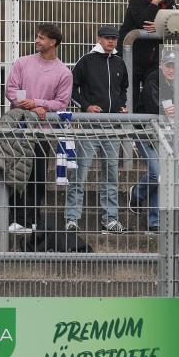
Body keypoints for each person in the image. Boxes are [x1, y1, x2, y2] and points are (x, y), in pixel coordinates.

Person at [5, 23, 72, 233]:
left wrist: (38, 103)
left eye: (41, 38)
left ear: (53, 43)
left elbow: (62, 103)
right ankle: (14, 218)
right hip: (18, 128)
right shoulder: (22, 63)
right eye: (37, 36)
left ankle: (31, 219)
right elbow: (11, 89)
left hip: (42, 132)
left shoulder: (64, 72)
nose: (37, 40)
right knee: (14, 174)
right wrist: (28, 104)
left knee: (37, 176)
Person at [65, 25, 129, 234]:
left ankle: (110, 219)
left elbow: (123, 90)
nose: (111, 41)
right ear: (98, 38)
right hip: (90, 127)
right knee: (80, 173)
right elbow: (71, 88)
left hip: (113, 127)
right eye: (107, 38)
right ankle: (72, 218)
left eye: (114, 38)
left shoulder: (120, 62)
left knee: (111, 175)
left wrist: (121, 105)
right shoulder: (86, 61)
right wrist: (85, 106)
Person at [130, 50, 179, 231]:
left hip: (169, 135)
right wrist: (167, 109)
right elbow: (152, 104)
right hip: (147, 133)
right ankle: (137, 192)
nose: (171, 69)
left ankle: (154, 221)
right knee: (156, 172)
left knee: (162, 176)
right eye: (168, 65)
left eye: (174, 66)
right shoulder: (153, 78)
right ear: (161, 65)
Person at [118, 0, 176, 107]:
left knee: (152, 90)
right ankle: (130, 122)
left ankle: (149, 123)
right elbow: (143, 22)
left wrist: (159, 26)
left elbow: (175, 20)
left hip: (154, 54)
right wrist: (154, 3)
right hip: (133, 54)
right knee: (132, 91)